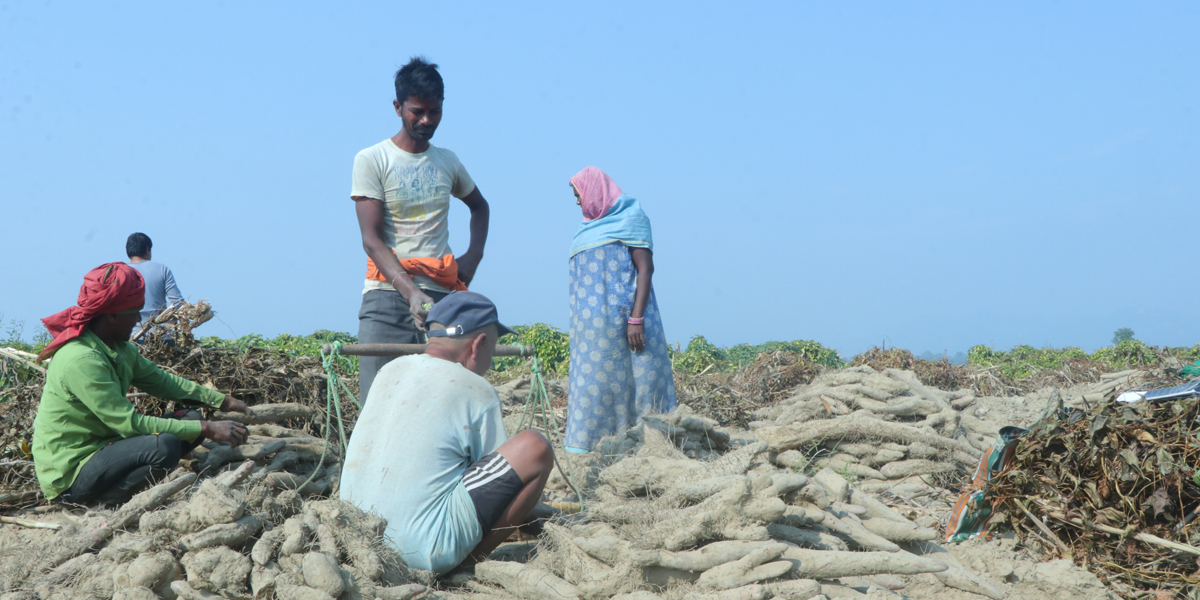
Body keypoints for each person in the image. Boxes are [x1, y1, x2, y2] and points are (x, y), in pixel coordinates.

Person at [340, 292, 552, 575]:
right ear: (479, 345)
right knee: (534, 447)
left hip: (356, 541)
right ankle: (465, 565)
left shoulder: (389, 371)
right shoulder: (475, 388)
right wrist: (549, 515)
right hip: (423, 550)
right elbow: (500, 488)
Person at [32, 263, 252, 506]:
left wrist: (221, 400)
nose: (139, 318)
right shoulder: (81, 359)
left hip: (106, 448)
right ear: (112, 315)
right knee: (165, 446)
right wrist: (208, 428)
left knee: (189, 418)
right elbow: (129, 424)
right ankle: (102, 504)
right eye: (134, 311)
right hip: (73, 471)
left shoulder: (120, 348)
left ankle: (117, 491)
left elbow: (163, 382)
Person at [351, 56, 491, 404]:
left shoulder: (447, 161)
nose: (427, 120)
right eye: (418, 111)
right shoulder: (373, 159)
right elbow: (372, 240)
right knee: (378, 403)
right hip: (386, 295)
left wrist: (471, 260)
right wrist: (410, 293)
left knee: (440, 402)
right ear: (398, 107)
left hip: (442, 298)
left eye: (435, 111)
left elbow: (480, 207)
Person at [565, 166, 676, 453]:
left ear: (594, 190)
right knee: (595, 389)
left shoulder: (631, 218)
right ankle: (591, 449)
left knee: (639, 383)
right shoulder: (586, 229)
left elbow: (645, 269)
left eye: (578, 194)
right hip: (592, 333)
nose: (577, 202)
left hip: (627, 321)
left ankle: (649, 445)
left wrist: (636, 318)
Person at [125, 232, 184, 323]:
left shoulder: (120, 272)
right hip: (161, 333)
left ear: (128, 251)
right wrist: (172, 324)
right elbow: (179, 304)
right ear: (147, 250)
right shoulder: (162, 269)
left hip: (129, 333)